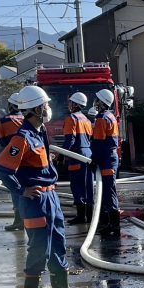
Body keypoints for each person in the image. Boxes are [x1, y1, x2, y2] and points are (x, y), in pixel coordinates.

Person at [0, 85, 88, 288]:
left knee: (57, 242)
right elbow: (2, 168)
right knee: (39, 248)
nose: (48, 108)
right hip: (35, 201)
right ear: (36, 109)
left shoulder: (40, 132)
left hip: (51, 196)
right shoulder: (23, 137)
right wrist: (21, 190)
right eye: (45, 105)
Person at [92, 89, 121, 238]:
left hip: (105, 158)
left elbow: (98, 142)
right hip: (110, 157)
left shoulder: (102, 118)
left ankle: (114, 224)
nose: (95, 103)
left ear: (102, 102)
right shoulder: (111, 116)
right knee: (107, 191)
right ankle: (109, 223)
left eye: (97, 100)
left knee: (108, 192)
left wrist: (94, 159)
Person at [62, 92, 94, 225]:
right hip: (88, 154)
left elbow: (70, 139)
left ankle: (81, 216)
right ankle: (90, 216)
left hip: (76, 155)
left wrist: (62, 155)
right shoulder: (86, 120)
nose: (68, 104)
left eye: (70, 102)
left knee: (77, 186)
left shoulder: (72, 118)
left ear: (75, 104)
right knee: (88, 187)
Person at [0, 93, 26, 231]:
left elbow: (1, 141)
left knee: (16, 189)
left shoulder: (4, 120)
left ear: (11, 105)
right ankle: (29, 218)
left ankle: (19, 221)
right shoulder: (27, 119)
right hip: (28, 159)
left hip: (13, 160)